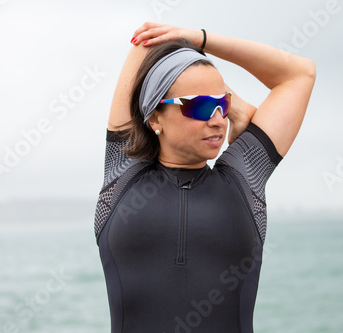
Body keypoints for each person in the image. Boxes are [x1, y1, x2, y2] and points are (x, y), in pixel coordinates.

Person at [94, 22, 316, 333]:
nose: (217, 121)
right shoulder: (123, 171)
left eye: (222, 105)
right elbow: (144, 42)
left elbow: (300, 74)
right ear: (155, 116)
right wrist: (185, 50)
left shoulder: (244, 177)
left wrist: (202, 38)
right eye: (199, 106)